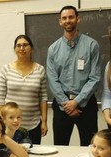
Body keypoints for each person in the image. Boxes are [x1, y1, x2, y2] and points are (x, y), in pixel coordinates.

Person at [46, 5, 101, 146]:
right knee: (60, 147)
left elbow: (94, 78)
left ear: (78, 19)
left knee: (90, 148)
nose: (68, 20)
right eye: (64, 18)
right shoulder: (53, 49)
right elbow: (52, 79)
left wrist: (76, 102)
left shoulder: (91, 45)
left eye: (71, 17)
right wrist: (66, 104)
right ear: (60, 22)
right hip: (61, 106)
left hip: (86, 105)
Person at [0, 34, 48, 144]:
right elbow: (0, 99)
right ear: (15, 49)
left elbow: (43, 98)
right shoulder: (6, 69)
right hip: (10, 126)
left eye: (25, 45)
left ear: (31, 48)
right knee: (11, 156)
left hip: (33, 124)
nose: (22, 48)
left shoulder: (40, 70)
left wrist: (44, 121)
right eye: (18, 45)